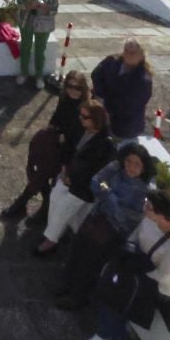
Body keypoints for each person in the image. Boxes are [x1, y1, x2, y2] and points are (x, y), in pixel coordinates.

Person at [55, 142, 156, 311]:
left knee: (91, 263)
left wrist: (108, 196)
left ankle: (78, 297)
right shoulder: (116, 169)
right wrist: (109, 194)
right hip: (97, 217)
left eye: (137, 164)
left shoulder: (144, 190)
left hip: (113, 231)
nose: (131, 167)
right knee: (76, 250)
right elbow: (97, 182)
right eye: (129, 161)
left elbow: (129, 216)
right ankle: (66, 285)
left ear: (144, 167)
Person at [87, 192, 170, 340]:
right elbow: (135, 237)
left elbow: (162, 276)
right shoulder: (150, 219)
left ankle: (106, 337)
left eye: (148, 207)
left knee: (121, 298)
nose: (144, 208)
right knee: (109, 286)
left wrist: (132, 275)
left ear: (161, 215)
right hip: (139, 266)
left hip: (158, 285)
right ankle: (105, 335)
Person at [3, 71, 92, 222]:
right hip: (55, 143)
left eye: (78, 88)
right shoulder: (64, 99)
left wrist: (63, 137)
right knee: (37, 169)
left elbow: (80, 132)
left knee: (43, 173)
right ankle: (42, 204)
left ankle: (23, 202)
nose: (73, 90)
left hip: (69, 151)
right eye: (70, 86)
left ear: (83, 89)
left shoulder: (85, 108)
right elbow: (55, 119)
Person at [37, 99, 115, 254]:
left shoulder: (106, 144)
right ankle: (54, 233)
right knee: (55, 197)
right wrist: (65, 169)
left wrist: (73, 179)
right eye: (80, 115)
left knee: (63, 209)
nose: (81, 119)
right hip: (69, 175)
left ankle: (51, 240)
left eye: (85, 117)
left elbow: (98, 171)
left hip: (83, 187)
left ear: (95, 120)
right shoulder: (79, 128)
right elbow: (68, 148)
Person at [91, 40, 154, 141]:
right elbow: (96, 74)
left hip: (125, 128)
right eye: (126, 50)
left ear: (141, 55)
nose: (128, 54)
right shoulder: (111, 61)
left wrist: (106, 108)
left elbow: (132, 105)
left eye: (132, 52)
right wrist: (100, 96)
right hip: (100, 117)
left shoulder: (144, 79)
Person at [17, 0, 62, 88]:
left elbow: (55, 9)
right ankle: (23, 72)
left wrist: (46, 8)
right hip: (26, 21)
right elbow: (19, 2)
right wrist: (29, 5)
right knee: (25, 47)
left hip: (43, 24)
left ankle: (39, 75)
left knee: (40, 50)